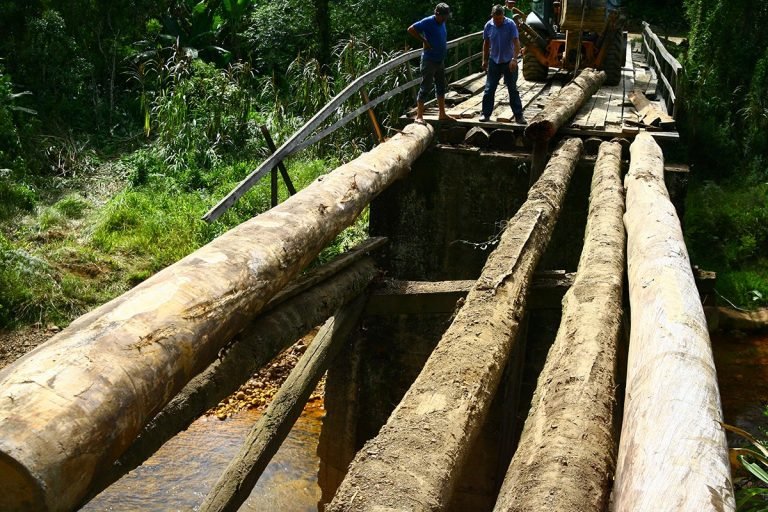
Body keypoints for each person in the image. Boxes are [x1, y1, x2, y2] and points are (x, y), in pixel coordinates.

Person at [407, 3, 456, 124]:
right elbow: (411, 29)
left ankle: (442, 114)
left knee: (441, 86)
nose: (445, 19)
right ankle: (419, 116)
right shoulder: (428, 21)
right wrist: (424, 41)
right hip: (429, 60)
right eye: (443, 17)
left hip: (440, 60)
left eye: (446, 17)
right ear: (437, 14)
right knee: (426, 87)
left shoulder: (442, 22)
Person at [480, 4, 526, 124]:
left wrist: (514, 59)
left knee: (512, 89)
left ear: (503, 16)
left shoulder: (510, 24)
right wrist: (484, 60)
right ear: (492, 16)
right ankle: (485, 114)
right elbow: (486, 44)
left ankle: (518, 115)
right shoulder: (488, 26)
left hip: (509, 61)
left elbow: (516, 43)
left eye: (500, 18)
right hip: (494, 60)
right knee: (489, 89)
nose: (498, 21)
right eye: (496, 19)